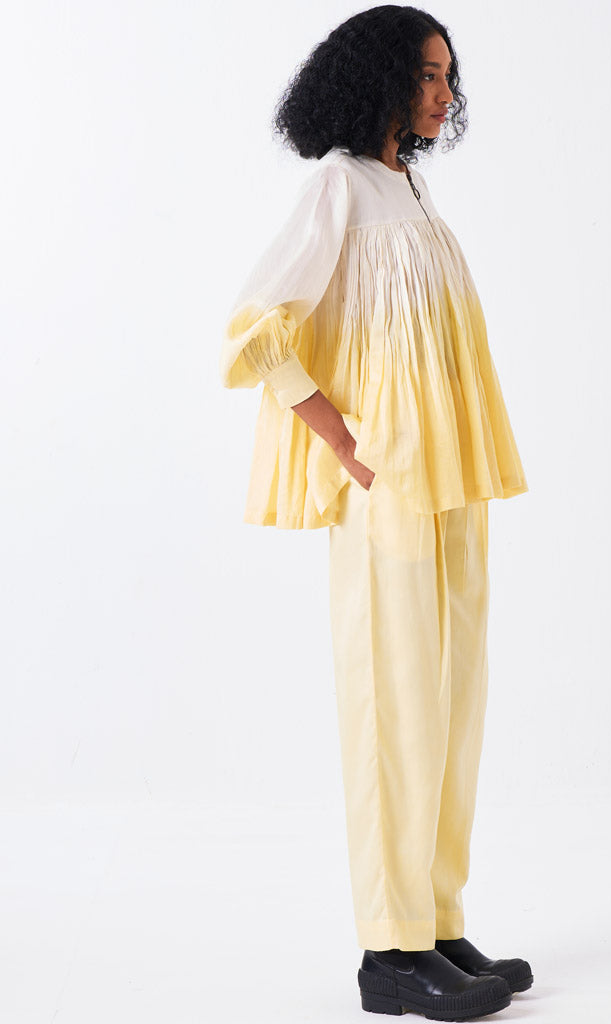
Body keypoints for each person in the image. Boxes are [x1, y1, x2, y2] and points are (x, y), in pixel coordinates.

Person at [219, 6, 532, 1020]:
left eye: (449, 76)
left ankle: (435, 919)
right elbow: (257, 328)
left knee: (451, 697)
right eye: (427, 75)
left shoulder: (412, 189)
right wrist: (339, 438)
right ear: (380, 79)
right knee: (394, 700)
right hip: (390, 482)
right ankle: (389, 952)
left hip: (449, 477)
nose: (445, 94)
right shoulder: (340, 186)